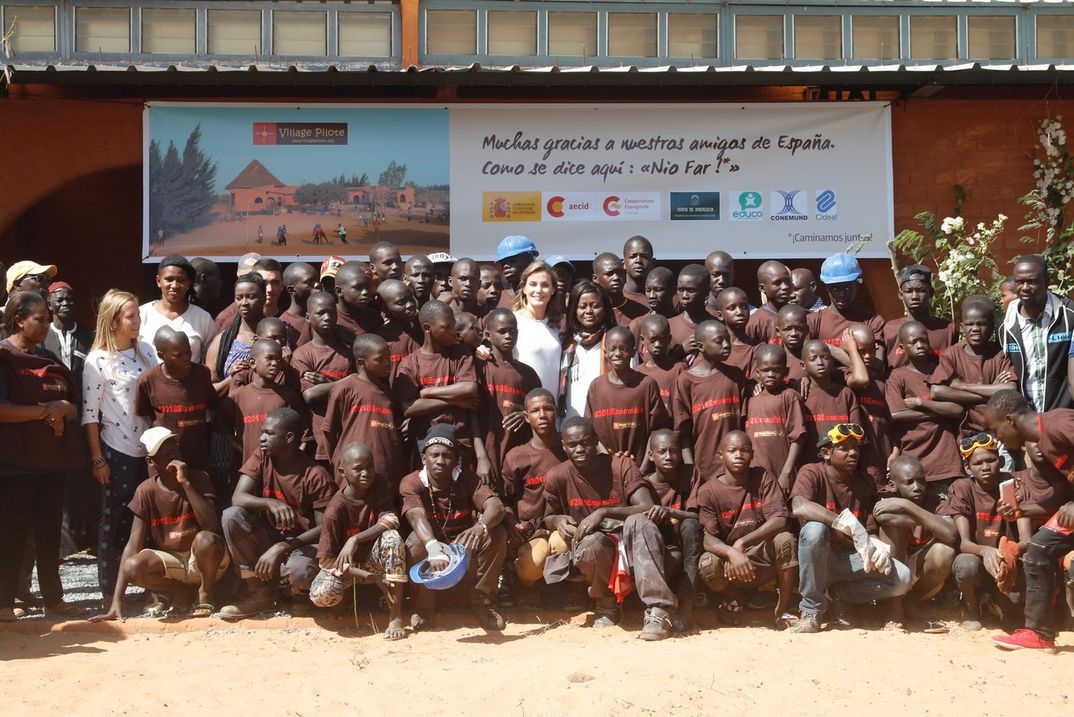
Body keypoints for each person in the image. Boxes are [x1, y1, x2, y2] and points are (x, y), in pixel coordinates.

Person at [542, 417, 680, 640]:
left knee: (639, 521)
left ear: (596, 441)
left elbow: (646, 506)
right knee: (588, 544)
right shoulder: (557, 475)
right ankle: (606, 604)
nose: (580, 450)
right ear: (564, 446)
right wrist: (558, 520)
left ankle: (658, 610)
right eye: (572, 445)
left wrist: (604, 512)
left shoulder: (621, 465)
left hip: (635, 545)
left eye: (585, 443)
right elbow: (546, 518)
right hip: (599, 549)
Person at [0, 291, 83, 621]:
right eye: (40, 319)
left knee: (50, 534)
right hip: (15, 466)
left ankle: (54, 600)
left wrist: (63, 407)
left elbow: (73, 406)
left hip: (52, 462)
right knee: (12, 534)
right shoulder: (3, 359)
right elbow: (2, 409)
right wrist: (43, 412)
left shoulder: (49, 359)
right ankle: (5, 602)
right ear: (19, 320)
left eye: (48, 320)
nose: (47, 325)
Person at [91, 427, 228, 621]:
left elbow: (211, 526)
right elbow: (133, 546)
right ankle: (182, 592)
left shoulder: (199, 478)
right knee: (133, 565)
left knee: (206, 539)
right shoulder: (145, 491)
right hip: (173, 562)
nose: (172, 457)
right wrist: (117, 601)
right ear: (150, 461)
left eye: (174, 450)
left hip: (202, 560)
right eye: (164, 455)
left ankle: (205, 593)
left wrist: (186, 484)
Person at [789, 423, 912, 633]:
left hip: (851, 560)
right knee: (814, 530)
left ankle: (839, 595)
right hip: (820, 560)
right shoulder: (812, 472)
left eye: (855, 447)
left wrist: (875, 545)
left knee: (903, 578)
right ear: (826, 453)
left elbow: (870, 528)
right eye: (844, 448)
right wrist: (841, 522)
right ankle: (811, 610)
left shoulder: (864, 481)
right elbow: (799, 506)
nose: (853, 452)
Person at [219, 408, 336, 620]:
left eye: (269, 433)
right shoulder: (262, 457)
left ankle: (296, 596)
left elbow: (324, 529)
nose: (262, 438)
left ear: (289, 438)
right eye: (262, 432)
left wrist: (282, 547)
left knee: (300, 572)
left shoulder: (315, 475)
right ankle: (259, 592)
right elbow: (238, 497)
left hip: (302, 544)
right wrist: (270, 503)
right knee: (231, 515)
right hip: (270, 538)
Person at [983, 390, 1074, 650]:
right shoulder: (1042, 447)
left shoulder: (1058, 424)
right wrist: (1021, 510)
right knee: (1038, 549)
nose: (997, 438)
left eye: (996, 429)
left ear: (1010, 420)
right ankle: (1040, 634)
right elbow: (1061, 500)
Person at [83, 289, 156, 606]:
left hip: (148, 449)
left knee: (146, 519)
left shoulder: (147, 352)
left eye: (139, 314)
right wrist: (98, 460)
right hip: (117, 449)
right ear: (113, 322)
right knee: (114, 520)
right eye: (131, 316)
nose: (137, 321)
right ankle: (110, 590)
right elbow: (89, 416)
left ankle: (146, 582)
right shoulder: (98, 360)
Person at [400, 424, 508, 631]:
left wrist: (481, 526)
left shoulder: (468, 478)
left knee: (496, 533)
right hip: (432, 552)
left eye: (447, 455)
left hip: (461, 549)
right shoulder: (412, 482)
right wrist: (433, 547)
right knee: (415, 542)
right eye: (434, 455)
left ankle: (481, 603)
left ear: (456, 460)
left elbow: (496, 506)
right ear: (424, 458)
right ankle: (424, 609)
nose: (440, 460)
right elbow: (415, 515)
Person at [695, 431, 797, 626]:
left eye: (744, 450)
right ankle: (736, 598)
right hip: (731, 565)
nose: (739, 455)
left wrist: (743, 542)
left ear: (752, 454)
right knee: (707, 563)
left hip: (761, 555)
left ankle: (782, 609)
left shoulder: (763, 477)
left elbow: (780, 519)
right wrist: (731, 553)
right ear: (720, 455)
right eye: (732, 450)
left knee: (785, 541)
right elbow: (709, 539)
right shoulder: (708, 491)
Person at [308, 442, 407, 640]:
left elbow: (392, 519)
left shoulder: (378, 484)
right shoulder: (335, 509)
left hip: (373, 558)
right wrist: (370, 577)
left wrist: (355, 539)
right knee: (321, 593)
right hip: (348, 568)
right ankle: (344, 602)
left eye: (369, 466)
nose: (366, 473)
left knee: (392, 539)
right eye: (358, 469)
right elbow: (326, 561)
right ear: (343, 472)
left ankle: (395, 615)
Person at [943, 431, 1025, 631]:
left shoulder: (1013, 484)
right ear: (968, 468)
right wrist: (986, 551)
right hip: (977, 558)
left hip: (1007, 560)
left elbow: (1026, 538)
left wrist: (1009, 554)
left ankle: (996, 601)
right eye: (978, 463)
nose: (986, 467)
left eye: (991, 460)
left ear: (1001, 460)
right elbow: (964, 543)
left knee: (1014, 623)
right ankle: (971, 607)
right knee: (966, 565)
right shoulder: (963, 487)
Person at [44, 281, 97, 558]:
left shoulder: (89, 336)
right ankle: (60, 545)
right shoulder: (42, 337)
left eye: (71, 300)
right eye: (60, 300)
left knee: (82, 477)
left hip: (82, 418)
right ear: (50, 303)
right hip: (48, 419)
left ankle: (81, 541)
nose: (66, 304)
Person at [873, 455, 958, 626]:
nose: (917, 487)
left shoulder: (934, 501)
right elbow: (883, 516)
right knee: (892, 529)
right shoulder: (885, 498)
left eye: (921, 481)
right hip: (893, 564)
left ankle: (911, 601)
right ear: (892, 485)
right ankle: (893, 603)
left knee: (945, 551)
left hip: (920, 567)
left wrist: (907, 505)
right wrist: (933, 521)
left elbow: (951, 534)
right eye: (909, 482)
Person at [396, 300, 482, 467]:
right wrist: (454, 400)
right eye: (447, 327)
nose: (453, 332)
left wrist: (428, 392)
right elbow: (408, 408)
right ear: (428, 328)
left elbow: (469, 387)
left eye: (454, 325)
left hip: (460, 441)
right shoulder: (410, 363)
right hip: (425, 443)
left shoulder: (461, 353)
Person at [887, 322, 965, 494]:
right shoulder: (897, 376)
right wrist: (940, 411)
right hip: (915, 459)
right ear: (902, 347)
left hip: (946, 460)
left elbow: (958, 410)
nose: (920, 345)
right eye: (913, 342)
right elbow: (896, 414)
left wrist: (921, 404)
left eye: (923, 340)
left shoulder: (940, 370)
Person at [501, 389, 566, 591]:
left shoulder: (571, 447)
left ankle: (568, 589)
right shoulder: (516, 456)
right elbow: (505, 499)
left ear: (556, 411)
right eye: (535, 410)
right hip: (531, 530)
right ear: (526, 417)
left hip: (564, 525)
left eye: (548, 409)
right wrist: (512, 523)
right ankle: (528, 587)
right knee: (532, 564)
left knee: (562, 545)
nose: (542, 415)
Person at [322, 334, 402, 491]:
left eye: (388, 358)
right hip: (354, 475)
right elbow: (329, 432)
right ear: (361, 362)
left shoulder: (389, 394)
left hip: (385, 473)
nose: (387, 363)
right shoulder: (345, 388)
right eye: (380, 359)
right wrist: (338, 462)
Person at [930, 294, 1016, 438]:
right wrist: (989, 392)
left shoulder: (999, 354)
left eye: (981, 324)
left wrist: (963, 386)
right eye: (970, 324)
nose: (975, 329)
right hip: (967, 433)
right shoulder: (951, 354)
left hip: (1001, 431)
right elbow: (937, 391)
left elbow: (1010, 388)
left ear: (991, 326)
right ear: (962, 327)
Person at [135, 328, 218, 474]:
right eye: (178, 355)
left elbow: (213, 404)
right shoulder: (148, 380)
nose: (186, 357)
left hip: (198, 457)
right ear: (162, 356)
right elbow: (145, 414)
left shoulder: (202, 374)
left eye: (188, 352)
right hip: (164, 461)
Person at [585, 326, 669, 468]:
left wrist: (644, 467)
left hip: (641, 467)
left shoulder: (646, 384)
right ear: (605, 352)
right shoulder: (596, 386)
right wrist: (607, 459)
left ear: (633, 352)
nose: (617, 353)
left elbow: (658, 430)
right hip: (606, 468)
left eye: (623, 348)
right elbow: (589, 431)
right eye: (612, 349)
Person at [999, 254, 1074, 412]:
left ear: (1047, 281)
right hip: (1025, 421)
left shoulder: (1068, 316)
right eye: (1019, 281)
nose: (1025, 287)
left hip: (1062, 417)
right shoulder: (1005, 326)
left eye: (1032, 281)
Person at [643, 428, 702, 627]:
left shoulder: (690, 474)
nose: (669, 456)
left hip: (689, 548)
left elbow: (696, 516)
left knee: (690, 526)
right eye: (662, 451)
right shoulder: (645, 486)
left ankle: (687, 605)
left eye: (674, 451)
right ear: (651, 455)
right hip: (662, 554)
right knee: (673, 556)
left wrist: (670, 512)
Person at [475, 309, 542, 484]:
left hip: (516, 453)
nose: (508, 336)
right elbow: (471, 414)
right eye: (502, 331)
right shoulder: (480, 368)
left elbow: (539, 409)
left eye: (512, 331)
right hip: (485, 452)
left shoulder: (528, 374)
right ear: (488, 335)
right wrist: (481, 456)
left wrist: (524, 415)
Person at [672, 321, 745, 480]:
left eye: (727, 339)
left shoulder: (736, 376)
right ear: (701, 346)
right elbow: (683, 430)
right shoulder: (686, 380)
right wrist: (690, 467)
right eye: (719, 341)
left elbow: (746, 421)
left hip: (737, 464)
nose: (726, 345)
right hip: (704, 466)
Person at [292, 291, 353, 464]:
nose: (327, 317)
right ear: (308, 317)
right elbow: (310, 395)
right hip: (319, 437)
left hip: (348, 431)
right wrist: (347, 381)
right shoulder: (303, 354)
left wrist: (328, 384)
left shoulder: (349, 351)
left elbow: (363, 385)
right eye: (320, 313)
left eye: (331, 312)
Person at [227, 339, 309, 467]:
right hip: (248, 467)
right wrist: (240, 449)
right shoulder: (237, 397)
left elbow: (304, 430)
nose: (275, 363)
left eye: (279, 360)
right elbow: (223, 427)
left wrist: (295, 455)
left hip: (282, 468)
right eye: (269, 358)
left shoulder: (288, 396)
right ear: (253, 363)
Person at [746, 344, 806, 492]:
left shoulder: (790, 396)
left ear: (785, 371)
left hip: (782, 472)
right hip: (756, 474)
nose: (771, 374)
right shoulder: (752, 399)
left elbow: (798, 437)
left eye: (776, 370)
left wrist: (787, 472)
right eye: (766, 370)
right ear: (758, 373)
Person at [809, 253, 885, 368]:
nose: (842, 294)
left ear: (857, 285)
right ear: (827, 288)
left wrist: (826, 347)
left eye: (848, 288)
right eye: (835, 288)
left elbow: (877, 365)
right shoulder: (813, 321)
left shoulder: (873, 321)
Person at [139, 255, 216, 364]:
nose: (174, 285)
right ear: (158, 281)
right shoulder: (141, 314)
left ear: (188, 283)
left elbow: (209, 361)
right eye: (169, 279)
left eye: (181, 280)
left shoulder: (203, 318)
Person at [560, 280, 616, 420]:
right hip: (569, 426)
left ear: (605, 309)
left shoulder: (616, 344)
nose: (589, 311)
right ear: (574, 310)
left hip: (606, 423)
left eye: (595, 306)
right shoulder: (564, 344)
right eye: (582, 306)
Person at [799, 339, 866, 456]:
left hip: (841, 465)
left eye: (825, 357)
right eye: (813, 359)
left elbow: (857, 434)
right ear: (803, 365)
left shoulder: (845, 393)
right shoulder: (799, 393)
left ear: (832, 361)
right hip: (808, 463)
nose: (820, 362)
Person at [883, 265, 957, 369]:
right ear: (900, 294)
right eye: (909, 291)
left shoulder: (948, 329)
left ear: (930, 292)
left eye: (920, 290)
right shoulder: (889, 329)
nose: (914, 297)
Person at [205, 273, 266, 395]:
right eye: (239, 298)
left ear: (264, 298)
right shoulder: (223, 340)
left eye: (251, 297)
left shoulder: (276, 335)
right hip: (233, 410)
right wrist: (232, 378)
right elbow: (210, 391)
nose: (244, 303)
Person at [511, 261, 562, 398]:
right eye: (533, 284)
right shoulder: (513, 322)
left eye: (545, 285)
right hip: (524, 407)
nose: (538, 290)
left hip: (553, 409)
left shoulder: (557, 325)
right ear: (524, 288)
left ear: (553, 290)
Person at [373, 279, 421, 385]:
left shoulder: (422, 331)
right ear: (385, 308)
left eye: (411, 298)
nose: (410, 305)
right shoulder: (380, 339)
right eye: (401, 302)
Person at [635, 314, 684, 415]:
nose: (657, 345)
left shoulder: (679, 369)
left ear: (669, 339)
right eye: (652, 340)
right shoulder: (637, 373)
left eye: (662, 339)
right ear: (643, 340)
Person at [668, 264, 712, 360]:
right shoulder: (668, 326)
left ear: (707, 292)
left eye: (691, 290)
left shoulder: (717, 326)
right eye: (680, 290)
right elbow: (659, 368)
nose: (684, 295)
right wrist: (680, 351)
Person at [333, 261, 382, 347]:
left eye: (367, 286)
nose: (365, 292)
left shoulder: (374, 318)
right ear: (339, 291)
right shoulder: (329, 317)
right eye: (358, 287)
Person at [592, 252, 647, 327]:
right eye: (609, 274)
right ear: (595, 279)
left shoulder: (642, 312)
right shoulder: (589, 313)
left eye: (620, 272)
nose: (616, 278)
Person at [713, 287, 759, 376]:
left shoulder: (757, 349)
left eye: (744, 307)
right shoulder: (712, 347)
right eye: (732, 308)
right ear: (720, 315)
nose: (739, 312)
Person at [746, 261, 795, 343]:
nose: (785, 287)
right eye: (777, 283)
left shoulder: (804, 316)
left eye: (787, 281)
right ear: (762, 288)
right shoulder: (754, 323)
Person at [279, 262, 319, 348]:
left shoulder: (325, 316)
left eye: (317, 280)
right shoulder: (283, 325)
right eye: (309, 282)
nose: (317, 285)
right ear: (292, 290)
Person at [495, 235, 540, 308]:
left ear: (530, 261)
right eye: (503, 262)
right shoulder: (498, 298)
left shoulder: (542, 295)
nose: (506, 266)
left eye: (512, 261)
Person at [775, 304, 811, 387]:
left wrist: (810, 379)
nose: (794, 334)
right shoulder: (771, 357)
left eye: (799, 328)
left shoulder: (815, 356)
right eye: (788, 329)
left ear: (807, 329)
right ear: (778, 331)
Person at [622, 235, 655, 307]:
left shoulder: (665, 300)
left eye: (644, 257)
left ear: (653, 263)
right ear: (623, 263)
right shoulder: (615, 299)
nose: (638, 261)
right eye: (633, 256)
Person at [703, 250, 734, 315]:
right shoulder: (695, 314)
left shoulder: (750, 314)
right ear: (706, 276)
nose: (721, 280)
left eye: (726, 275)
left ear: (733, 276)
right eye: (716, 274)